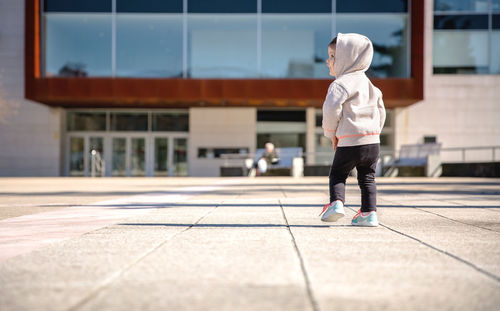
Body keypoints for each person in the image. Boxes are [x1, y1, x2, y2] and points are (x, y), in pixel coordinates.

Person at [318, 33, 386, 227]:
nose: (327, 61)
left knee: (338, 174)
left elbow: (331, 111)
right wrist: (375, 133)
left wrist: (331, 133)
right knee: (367, 177)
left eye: (332, 56)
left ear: (348, 59)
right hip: (372, 142)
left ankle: (337, 204)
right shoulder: (371, 86)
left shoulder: (339, 84)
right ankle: (369, 214)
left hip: (349, 140)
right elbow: (381, 112)